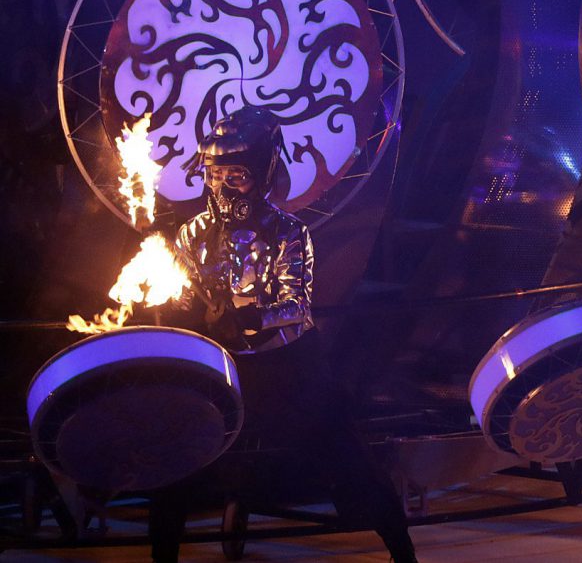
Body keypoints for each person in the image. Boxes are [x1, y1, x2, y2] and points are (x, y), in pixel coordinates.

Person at [148, 107, 416, 563]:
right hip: (224, 368)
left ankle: (402, 551)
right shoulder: (191, 235)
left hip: (288, 368)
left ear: (263, 173)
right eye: (216, 176)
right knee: (178, 458)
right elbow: (180, 300)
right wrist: (189, 316)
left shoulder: (288, 233)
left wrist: (252, 319)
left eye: (237, 176)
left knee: (349, 455)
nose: (223, 188)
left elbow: (297, 306)